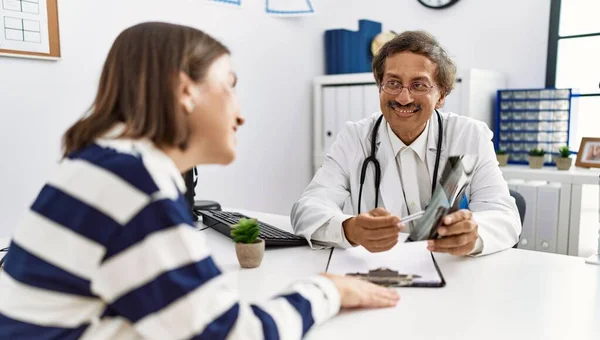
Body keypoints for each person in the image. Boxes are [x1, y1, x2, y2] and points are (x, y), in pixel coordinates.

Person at [0, 22, 399, 339]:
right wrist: (328, 289)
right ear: (184, 90)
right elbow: (236, 335)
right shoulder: (134, 184)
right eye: (230, 86)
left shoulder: (103, 162)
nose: (240, 115)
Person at [291, 31, 521, 256]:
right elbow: (307, 209)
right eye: (393, 83)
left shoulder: (468, 136)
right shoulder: (355, 138)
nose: (403, 98)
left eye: (419, 85)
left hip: (449, 270)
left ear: (441, 96)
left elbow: (504, 216)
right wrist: (350, 229)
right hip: (377, 270)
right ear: (380, 87)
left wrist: (473, 234)